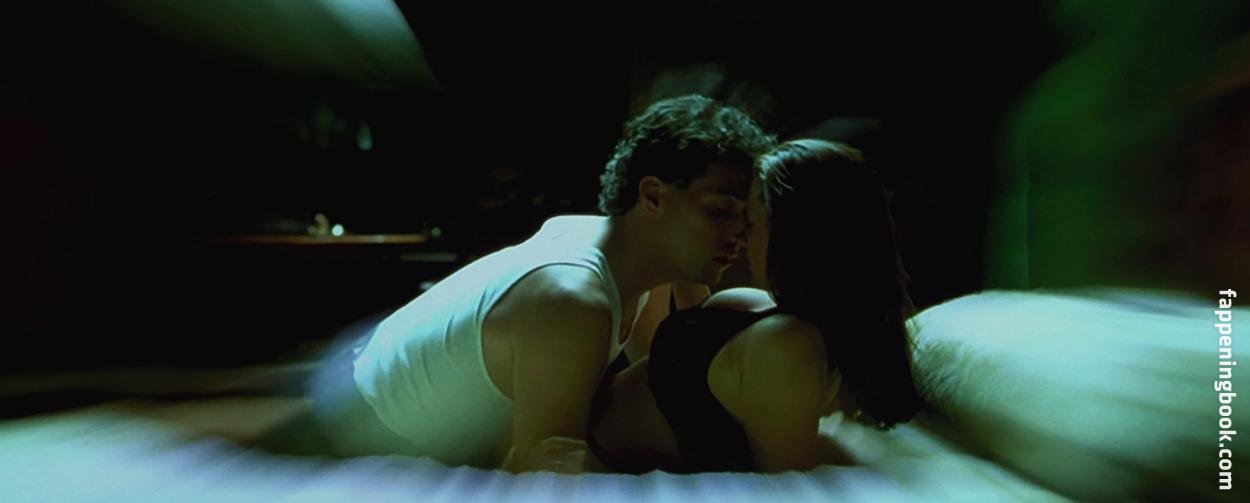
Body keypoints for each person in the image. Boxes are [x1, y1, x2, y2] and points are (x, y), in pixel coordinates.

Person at [307, 95, 776, 473]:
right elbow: (547, 468)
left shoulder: (627, 249)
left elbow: (670, 374)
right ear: (652, 196)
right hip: (361, 418)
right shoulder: (573, 299)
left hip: (368, 362)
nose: (739, 234)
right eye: (720, 211)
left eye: (745, 217)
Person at [589, 139, 925, 473]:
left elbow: (784, 485)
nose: (740, 238)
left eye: (750, 225)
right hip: (587, 453)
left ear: (796, 238)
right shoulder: (774, 328)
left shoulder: (787, 337)